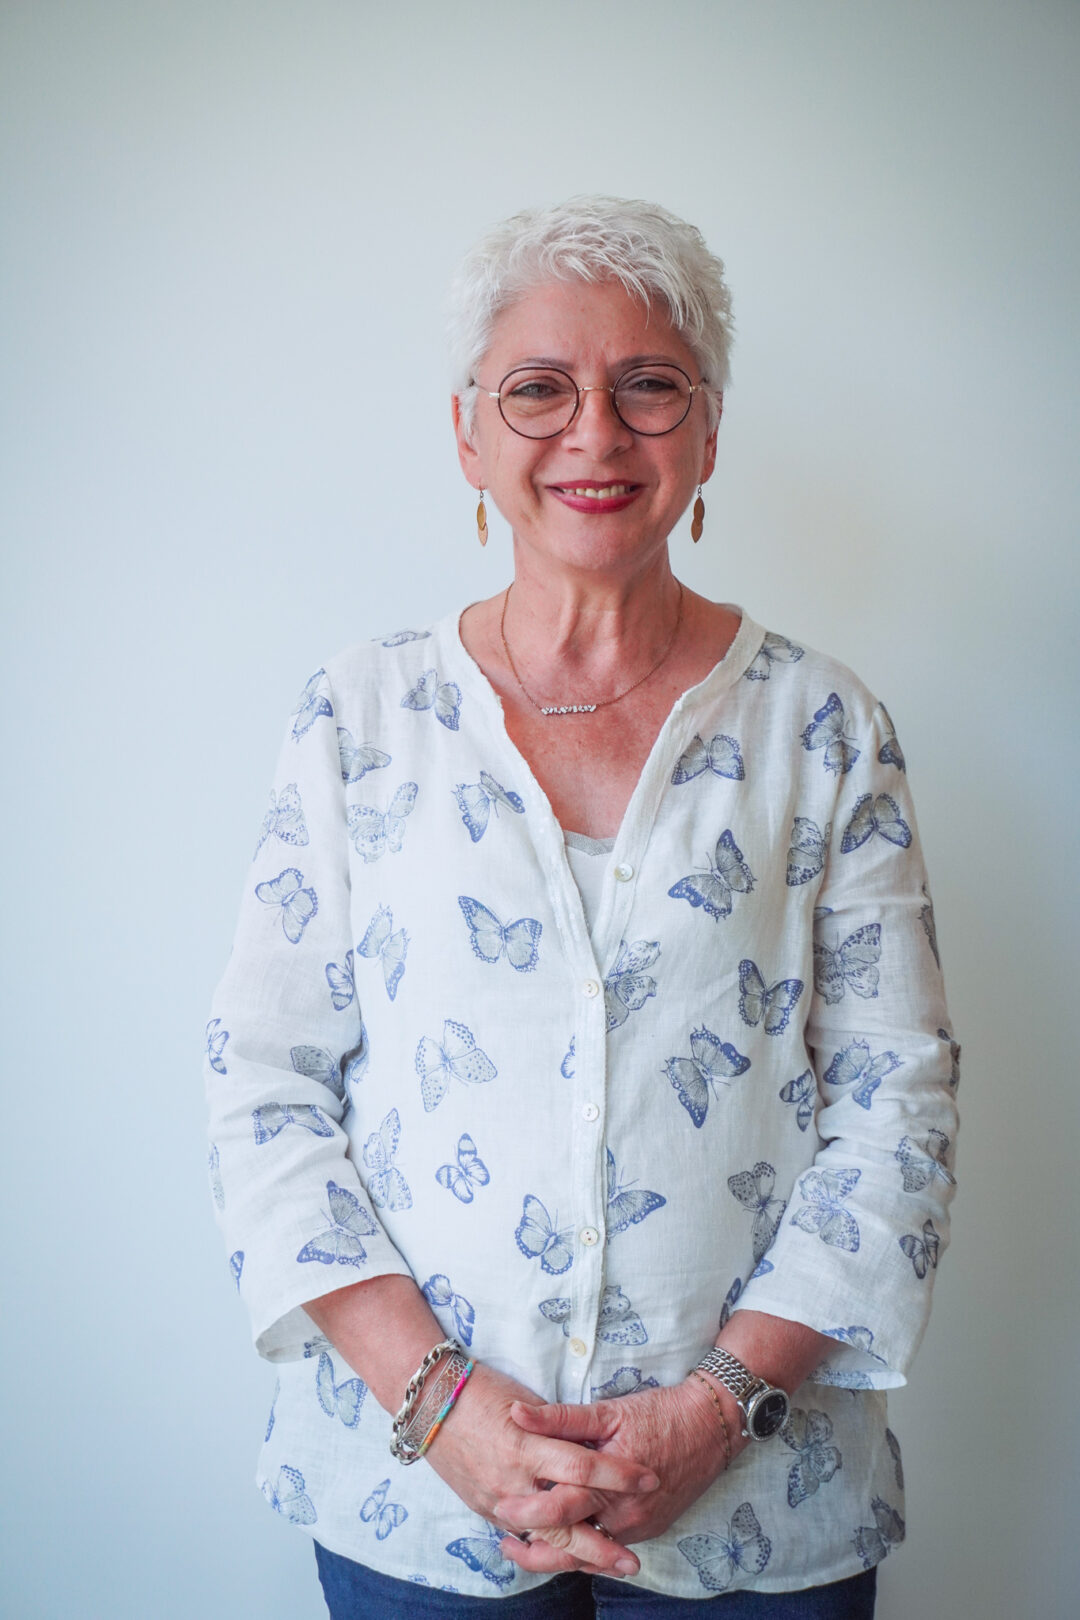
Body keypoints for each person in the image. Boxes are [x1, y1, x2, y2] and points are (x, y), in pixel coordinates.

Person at [206, 196, 959, 1619]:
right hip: (417, 1494)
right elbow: (265, 1086)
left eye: (648, 386)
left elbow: (897, 1104)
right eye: (538, 389)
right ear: (468, 435)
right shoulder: (361, 715)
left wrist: (716, 1409)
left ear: (709, 432)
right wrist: (441, 1407)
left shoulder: (823, 726)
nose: (594, 435)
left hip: (760, 1501)